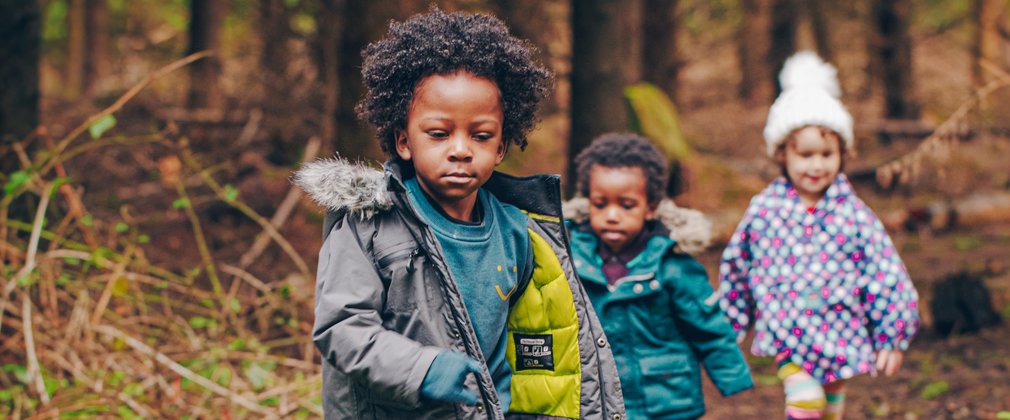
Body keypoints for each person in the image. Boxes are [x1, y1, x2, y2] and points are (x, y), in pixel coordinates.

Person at [294, 7, 625, 420]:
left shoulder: (519, 233)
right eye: (438, 133)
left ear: (501, 148)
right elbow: (341, 329)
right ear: (404, 141)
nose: (461, 149)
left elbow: (535, 338)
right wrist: (422, 368)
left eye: (481, 135)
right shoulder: (367, 227)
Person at [718, 51, 920, 420]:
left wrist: (892, 332)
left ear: (843, 153)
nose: (817, 165)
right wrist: (729, 325)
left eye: (827, 154)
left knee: (830, 405)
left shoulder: (853, 215)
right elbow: (737, 268)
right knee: (805, 401)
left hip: (841, 329)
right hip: (789, 331)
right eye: (806, 154)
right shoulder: (765, 211)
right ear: (783, 154)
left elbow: (885, 272)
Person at [563, 133, 753, 419]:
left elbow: (708, 325)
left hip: (666, 400)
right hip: (597, 401)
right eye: (601, 204)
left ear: (650, 208)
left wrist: (731, 376)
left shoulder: (672, 265)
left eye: (626, 205)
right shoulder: (571, 259)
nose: (612, 215)